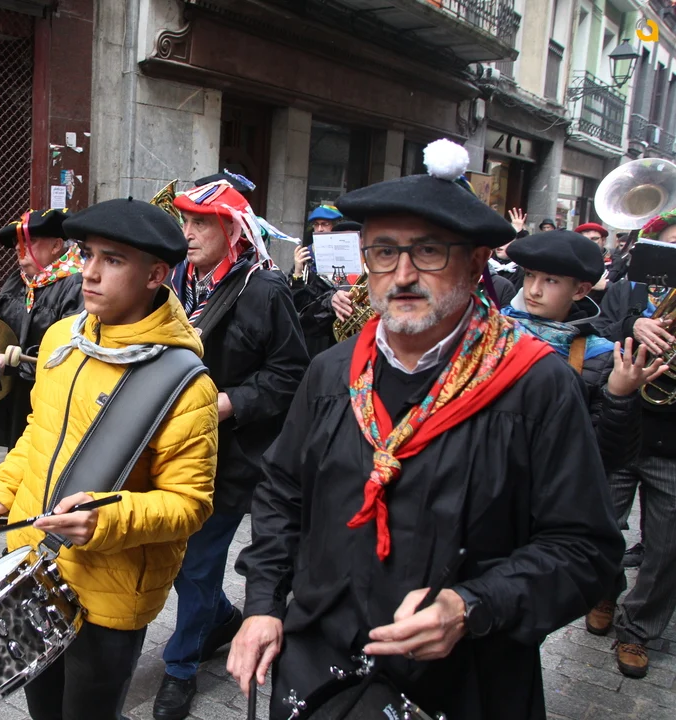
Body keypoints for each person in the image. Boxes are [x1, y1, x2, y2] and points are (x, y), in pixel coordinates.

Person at [227, 139, 623, 720]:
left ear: (476, 264)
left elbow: (585, 550)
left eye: (430, 252)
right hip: (320, 665)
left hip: (463, 682)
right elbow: (283, 492)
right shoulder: (333, 372)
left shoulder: (536, 385)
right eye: (384, 252)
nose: (403, 274)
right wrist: (263, 604)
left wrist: (472, 605)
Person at [0, 198, 218, 720]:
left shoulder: (185, 383)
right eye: (87, 254)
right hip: (35, 564)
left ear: (156, 274)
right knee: (42, 708)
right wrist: (2, 488)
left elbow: (190, 504)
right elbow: (40, 430)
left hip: (110, 589)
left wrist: (106, 519)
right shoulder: (63, 339)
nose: (90, 272)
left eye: (113, 260)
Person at [153, 181, 309, 720]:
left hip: (233, 455)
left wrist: (228, 403)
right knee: (175, 556)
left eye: (201, 223)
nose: (188, 233)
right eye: (185, 221)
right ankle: (219, 616)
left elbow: (290, 374)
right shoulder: (172, 280)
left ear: (231, 230)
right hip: (172, 447)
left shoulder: (264, 289)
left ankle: (180, 667)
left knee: (196, 561)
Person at [593, 211, 676, 679]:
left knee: (668, 546)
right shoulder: (626, 290)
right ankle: (605, 592)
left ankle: (638, 628)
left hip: (672, 439)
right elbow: (599, 332)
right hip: (622, 426)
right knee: (600, 524)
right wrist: (634, 326)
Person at [502, 230, 661, 473]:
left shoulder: (599, 356)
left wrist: (618, 397)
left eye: (551, 280)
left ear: (580, 291)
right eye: (530, 275)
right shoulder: (493, 331)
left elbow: (607, 458)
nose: (533, 290)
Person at [0, 209, 83, 449]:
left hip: (50, 394)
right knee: (17, 452)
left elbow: (68, 346)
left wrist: (14, 361)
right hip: (15, 391)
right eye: (18, 242)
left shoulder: (76, 284)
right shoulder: (17, 280)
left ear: (56, 246)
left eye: (29, 241)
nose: (19, 248)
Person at [291, 219, 359, 356]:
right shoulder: (313, 264)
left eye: (325, 224)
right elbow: (303, 311)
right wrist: (297, 273)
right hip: (325, 344)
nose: (320, 229)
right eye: (316, 225)